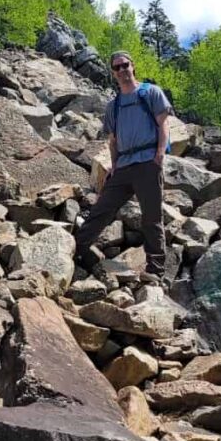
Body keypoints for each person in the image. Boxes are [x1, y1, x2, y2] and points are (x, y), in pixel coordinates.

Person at [76, 50, 171, 282]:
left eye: (125, 65)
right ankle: (76, 250)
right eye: (117, 67)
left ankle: (156, 271)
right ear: (113, 73)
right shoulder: (113, 106)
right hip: (124, 166)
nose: (122, 70)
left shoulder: (150, 93)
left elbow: (164, 125)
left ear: (133, 66)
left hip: (148, 162)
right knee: (101, 210)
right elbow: (113, 140)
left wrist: (159, 155)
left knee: (151, 217)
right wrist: (114, 164)